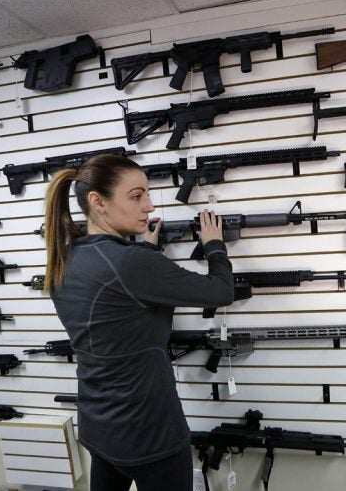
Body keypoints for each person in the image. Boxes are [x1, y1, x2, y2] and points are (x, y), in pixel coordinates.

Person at [43, 154, 235, 491]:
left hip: (99, 426)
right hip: (150, 433)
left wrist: (146, 251)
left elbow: (120, 309)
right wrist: (215, 247)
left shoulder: (68, 256)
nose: (149, 206)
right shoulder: (130, 264)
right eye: (136, 196)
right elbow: (221, 292)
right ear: (97, 202)